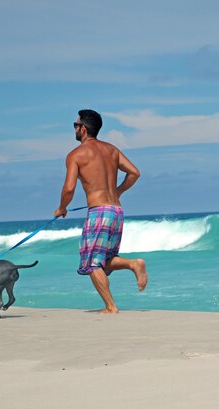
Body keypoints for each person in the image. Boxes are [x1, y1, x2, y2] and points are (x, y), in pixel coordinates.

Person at [54, 109, 148, 314]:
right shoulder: (111, 150)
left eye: (75, 125)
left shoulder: (75, 155)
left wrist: (62, 208)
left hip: (99, 212)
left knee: (92, 262)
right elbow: (134, 173)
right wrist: (119, 191)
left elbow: (69, 188)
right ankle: (134, 264)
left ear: (83, 129)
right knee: (105, 260)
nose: (75, 129)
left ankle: (110, 307)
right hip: (116, 211)